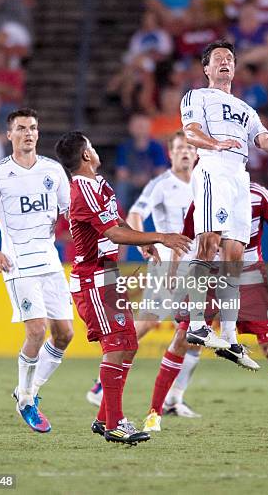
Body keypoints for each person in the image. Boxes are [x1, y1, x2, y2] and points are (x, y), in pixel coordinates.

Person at [143, 184, 268, 433]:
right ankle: (154, 413)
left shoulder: (259, 196)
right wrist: (173, 275)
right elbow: (184, 239)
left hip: (249, 280)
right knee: (182, 338)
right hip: (209, 279)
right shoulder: (204, 198)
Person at [54, 131, 191, 445]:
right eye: (90, 145)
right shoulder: (82, 190)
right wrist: (160, 237)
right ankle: (115, 423)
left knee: (128, 342)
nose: (95, 148)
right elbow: (114, 234)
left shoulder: (97, 184)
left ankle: (105, 418)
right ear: (86, 155)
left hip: (108, 276)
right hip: (93, 279)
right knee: (117, 344)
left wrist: (143, 244)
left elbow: (118, 224)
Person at [179, 40, 268, 358]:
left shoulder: (246, 109)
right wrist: (215, 143)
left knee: (235, 256)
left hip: (240, 175)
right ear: (206, 68)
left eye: (229, 59)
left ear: (235, 68)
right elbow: (190, 132)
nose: (225, 62)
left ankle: (228, 336)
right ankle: (197, 324)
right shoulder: (196, 96)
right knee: (209, 242)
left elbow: (262, 140)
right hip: (213, 167)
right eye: (218, 58)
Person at [0, 108, 74, 434]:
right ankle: (26, 399)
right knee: (37, 330)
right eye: (22, 129)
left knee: (65, 334)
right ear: (9, 135)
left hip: (50, 262)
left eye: (33, 128)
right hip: (18, 263)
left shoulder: (53, 171)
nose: (28, 133)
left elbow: (71, 213)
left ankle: (29, 389)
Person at [86, 131, 202, 418]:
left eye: (189, 148)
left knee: (195, 333)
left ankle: (175, 398)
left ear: (196, 153)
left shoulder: (203, 184)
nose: (185, 152)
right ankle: (101, 383)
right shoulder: (161, 184)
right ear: (170, 153)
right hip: (167, 268)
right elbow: (137, 213)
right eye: (179, 148)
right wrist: (145, 243)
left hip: (198, 267)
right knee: (145, 325)